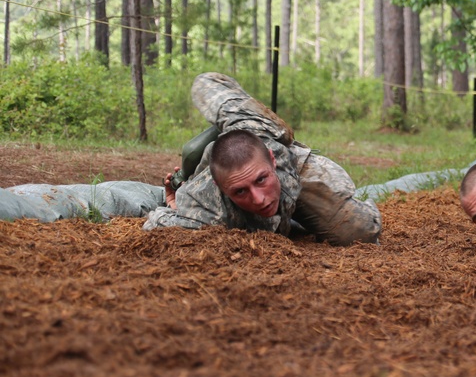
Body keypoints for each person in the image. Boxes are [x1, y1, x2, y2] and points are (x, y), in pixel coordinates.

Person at [143, 72, 383, 246]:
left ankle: (231, 130)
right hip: (218, 171)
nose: (258, 199)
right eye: (240, 192)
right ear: (221, 189)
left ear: (271, 160)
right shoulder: (209, 214)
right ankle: (216, 155)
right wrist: (173, 206)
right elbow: (155, 224)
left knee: (361, 231)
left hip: (271, 148)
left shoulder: (273, 145)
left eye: (260, 180)